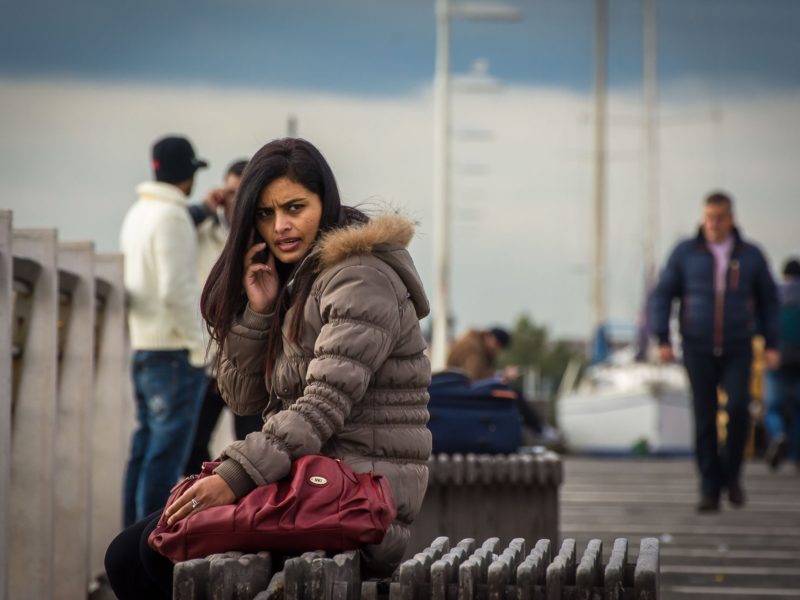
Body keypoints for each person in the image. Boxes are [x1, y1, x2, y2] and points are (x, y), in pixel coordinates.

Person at [105, 138, 432, 599]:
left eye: (295, 207)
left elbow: (321, 406)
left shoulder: (359, 277)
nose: (280, 226)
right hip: (312, 481)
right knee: (128, 552)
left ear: (326, 201)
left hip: (359, 496)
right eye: (265, 213)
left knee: (150, 556)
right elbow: (243, 399)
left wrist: (235, 477)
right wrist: (258, 314)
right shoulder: (301, 279)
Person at [651, 191, 780, 512]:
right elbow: (662, 295)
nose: (712, 224)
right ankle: (710, 488)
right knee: (705, 417)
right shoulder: (686, 253)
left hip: (739, 344)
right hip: (698, 345)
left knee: (739, 409)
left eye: (718, 218)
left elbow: (769, 302)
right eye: (707, 217)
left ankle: (732, 475)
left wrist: (773, 344)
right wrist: (662, 338)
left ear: (730, 219)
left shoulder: (751, 255)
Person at [119, 135, 210, 527]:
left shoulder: (138, 212)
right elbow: (177, 291)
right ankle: (147, 546)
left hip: (144, 348)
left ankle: (128, 540)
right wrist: (197, 346)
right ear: (187, 176)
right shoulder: (172, 218)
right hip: (173, 354)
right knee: (165, 457)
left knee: (143, 452)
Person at [182, 159, 263, 476]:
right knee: (190, 444)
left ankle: (242, 507)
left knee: (253, 444)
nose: (235, 200)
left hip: (250, 362)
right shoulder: (203, 231)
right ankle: (212, 491)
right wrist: (204, 206)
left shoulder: (264, 236)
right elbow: (172, 225)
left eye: (243, 193)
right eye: (230, 192)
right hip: (208, 360)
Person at [446, 327, 552, 439]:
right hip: (462, 393)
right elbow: (474, 378)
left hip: (460, 391)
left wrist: (500, 375)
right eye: (496, 345)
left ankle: (539, 429)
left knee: (512, 394)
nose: (496, 350)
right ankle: (539, 430)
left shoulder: (477, 345)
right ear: (489, 337)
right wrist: (502, 375)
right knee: (513, 395)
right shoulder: (474, 348)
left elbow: (478, 375)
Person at [764, 258, 800, 471]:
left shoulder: (774, 294)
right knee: (798, 409)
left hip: (777, 356)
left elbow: (762, 322)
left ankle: (778, 434)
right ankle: (796, 457)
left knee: (774, 407)